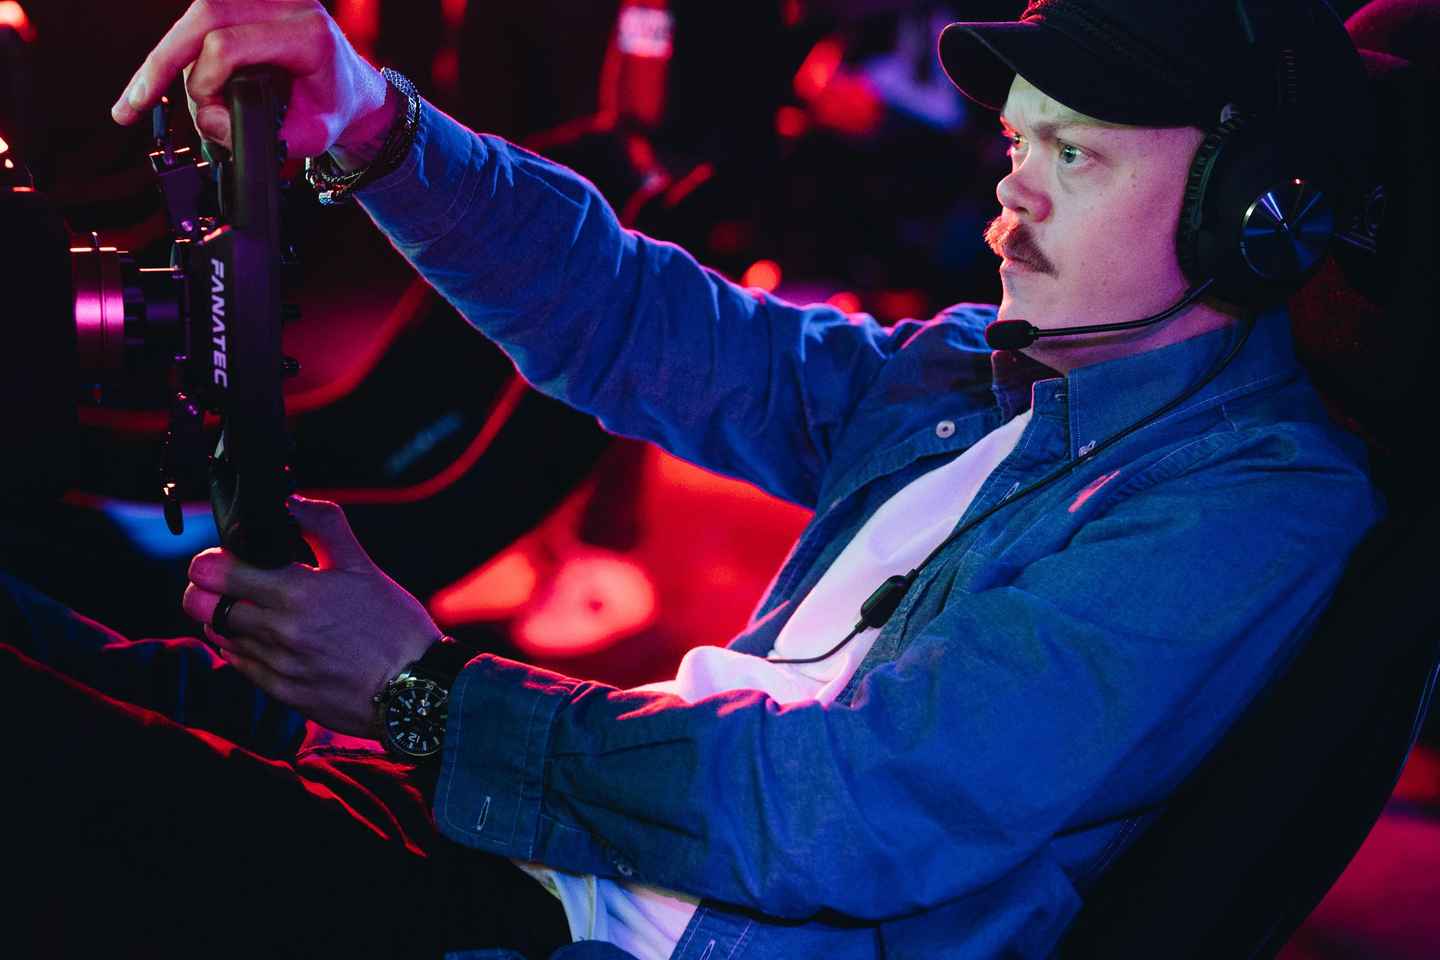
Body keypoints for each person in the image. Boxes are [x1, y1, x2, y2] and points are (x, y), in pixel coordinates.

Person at [2, 1, 1382, 958]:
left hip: (576, 927)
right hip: (524, 839)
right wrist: (369, 122)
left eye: (1074, 154)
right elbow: (631, 319)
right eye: (1022, 145)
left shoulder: (1252, 509)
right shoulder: (972, 373)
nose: (1012, 195)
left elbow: (849, 810)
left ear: (1253, 219)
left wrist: (425, 697)